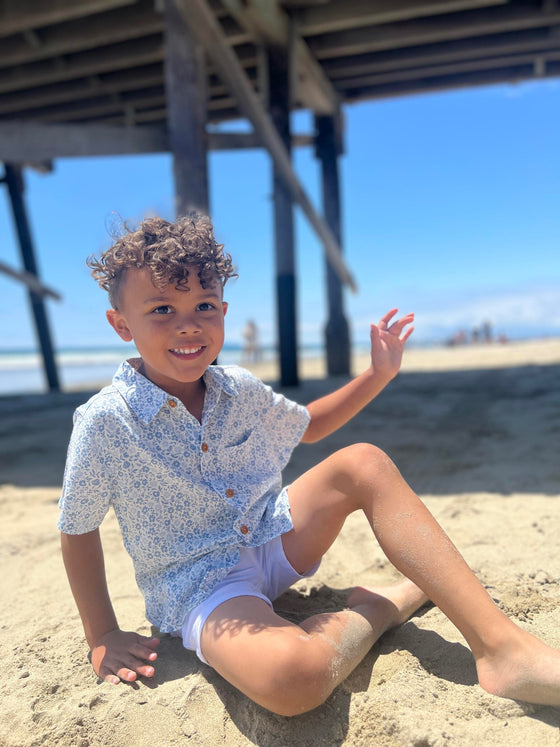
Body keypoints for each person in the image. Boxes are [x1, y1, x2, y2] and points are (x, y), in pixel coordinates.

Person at [59, 214, 560, 717]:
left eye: (204, 306)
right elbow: (77, 528)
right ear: (121, 324)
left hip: (271, 536)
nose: (188, 323)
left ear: (225, 312)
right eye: (163, 308)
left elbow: (311, 426)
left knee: (363, 462)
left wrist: (377, 375)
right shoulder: (105, 421)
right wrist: (101, 632)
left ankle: (502, 648)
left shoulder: (236, 387)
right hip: (204, 587)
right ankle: (381, 607)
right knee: (293, 681)